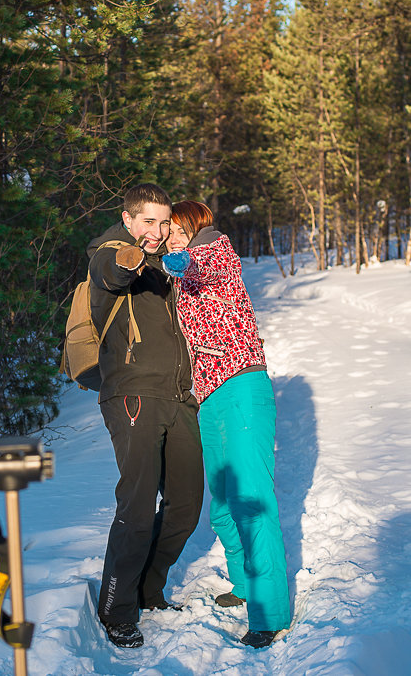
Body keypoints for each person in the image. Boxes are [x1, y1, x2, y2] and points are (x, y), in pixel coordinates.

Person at [163, 200, 291, 649]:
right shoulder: (180, 276)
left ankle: (269, 611)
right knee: (221, 504)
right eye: (168, 231)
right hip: (210, 396)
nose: (172, 237)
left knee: (252, 499)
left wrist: (175, 256)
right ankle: (243, 582)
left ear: (195, 228)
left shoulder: (215, 249)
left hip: (241, 387)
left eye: (178, 229)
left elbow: (202, 267)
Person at [87, 184, 204, 649]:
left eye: (163, 222)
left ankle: (148, 588)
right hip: (133, 396)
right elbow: (111, 269)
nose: (156, 231)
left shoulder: (165, 264)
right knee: (137, 509)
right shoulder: (111, 250)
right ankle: (116, 608)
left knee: (186, 506)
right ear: (129, 219)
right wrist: (131, 256)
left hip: (179, 399)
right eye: (148, 221)